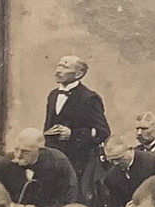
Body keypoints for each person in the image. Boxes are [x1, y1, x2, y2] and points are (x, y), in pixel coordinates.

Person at [42, 55, 110, 193]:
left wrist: (73, 134)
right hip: (54, 160)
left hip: (78, 163)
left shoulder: (89, 98)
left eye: (65, 67)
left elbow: (103, 132)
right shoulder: (53, 95)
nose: (57, 71)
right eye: (58, 66)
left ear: (78, 74)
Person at [7, 127, 80, 207]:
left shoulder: (58, 163)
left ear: (41, 150)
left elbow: (65, 202)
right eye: (16, 149)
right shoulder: (8, 162)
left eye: (25, 151)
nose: (18, 155)